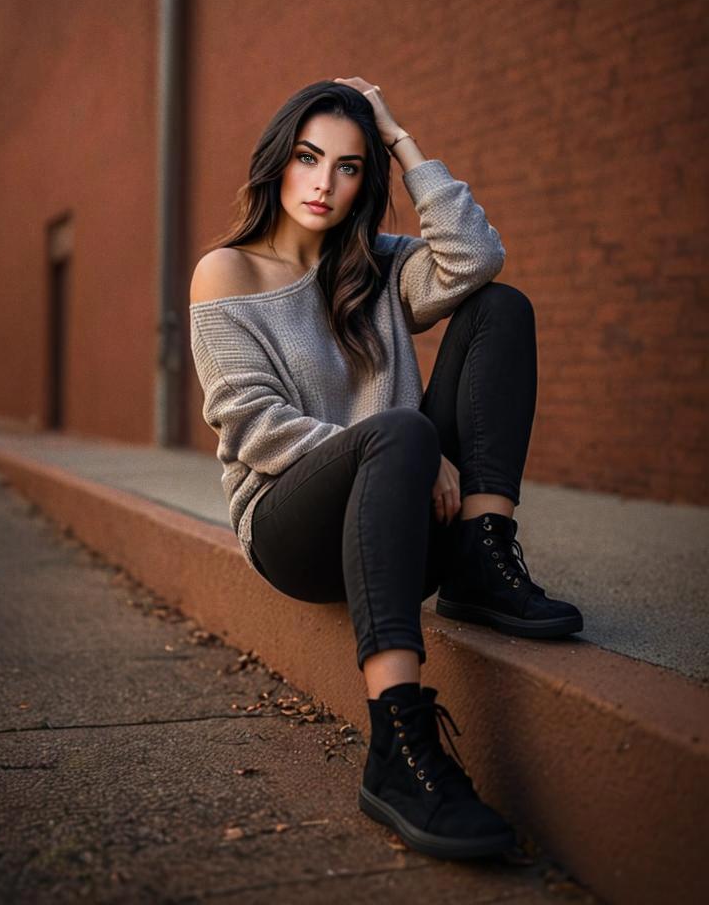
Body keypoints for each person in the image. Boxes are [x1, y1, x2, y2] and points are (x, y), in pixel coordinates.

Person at [189, 76, 583, 862]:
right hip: (291, 526)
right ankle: (398, 749)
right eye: (308, 157)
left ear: (369, 180)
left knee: (501, 308)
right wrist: (402, 445)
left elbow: (476, 258)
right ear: (278, 162)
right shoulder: (226, 273)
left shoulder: (376, 265)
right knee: (398, 430)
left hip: (401, 510)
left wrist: (402, 140)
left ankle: (480, 556)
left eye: (350, 165)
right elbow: (255, 429)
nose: (324, 182)